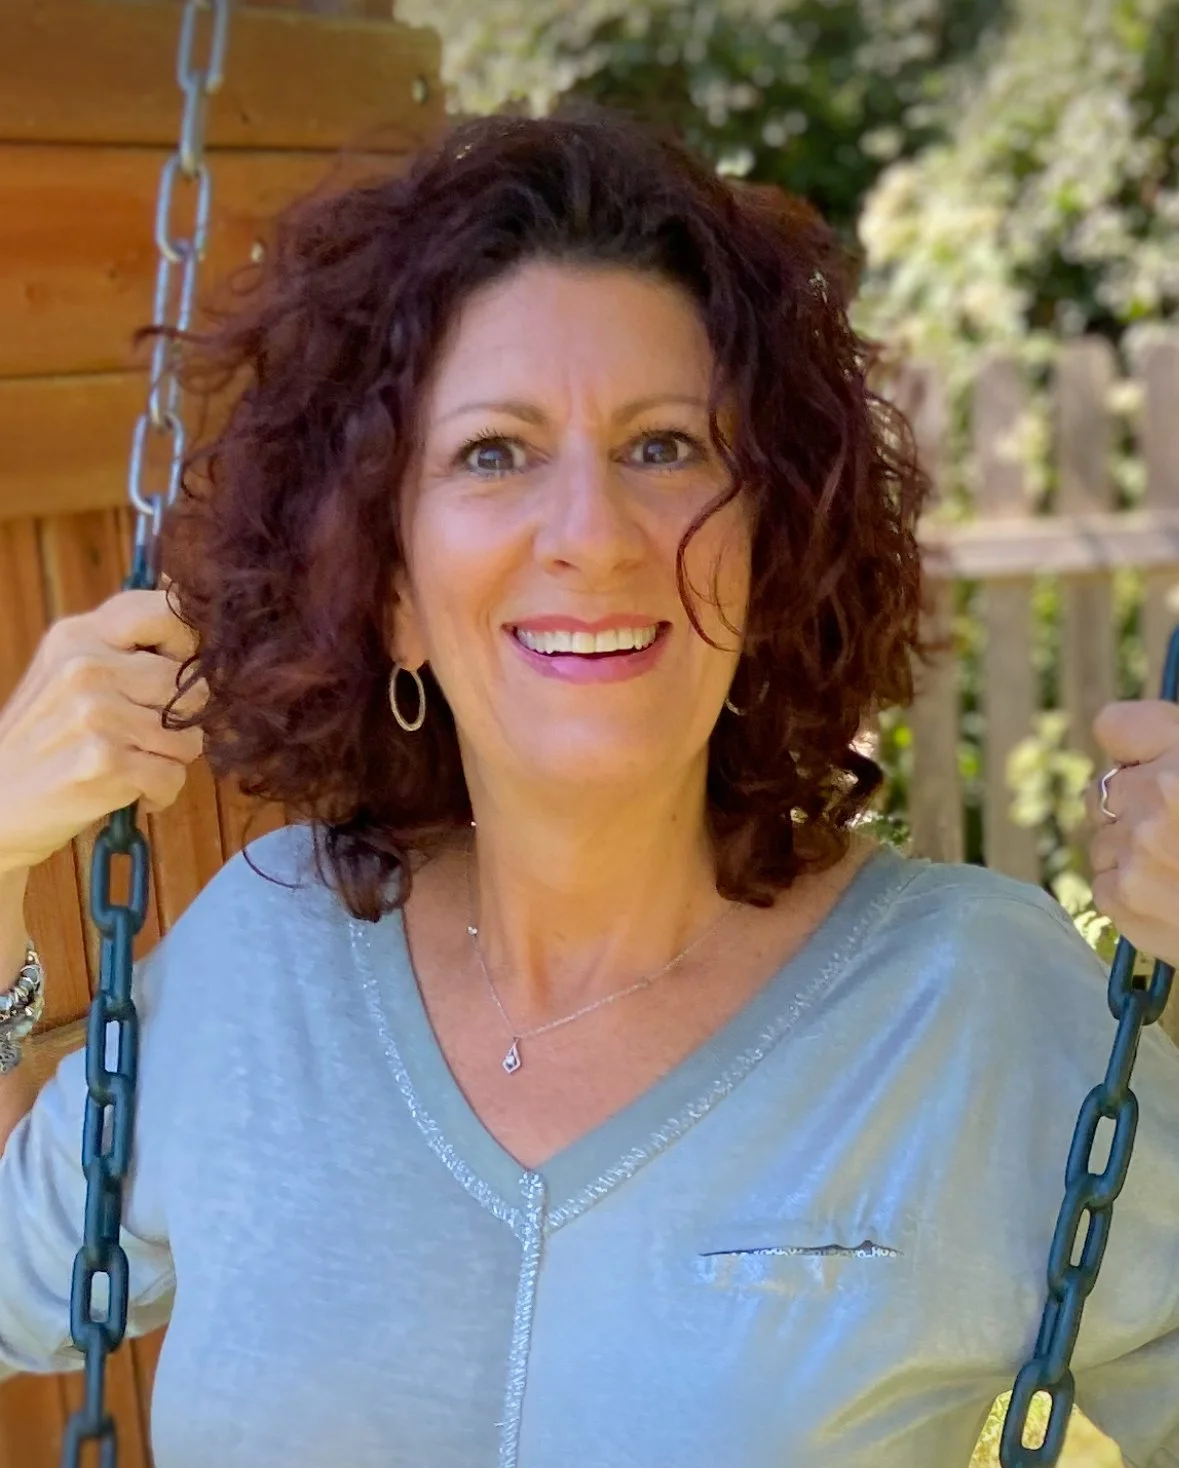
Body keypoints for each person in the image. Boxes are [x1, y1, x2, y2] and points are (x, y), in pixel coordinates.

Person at [0, 108, 1176, 1468]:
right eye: (493, 453)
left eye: (663, 446)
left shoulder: (970, 1006)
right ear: (385, 590)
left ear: (768, 544)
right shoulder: (266, 958)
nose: (591, 536)